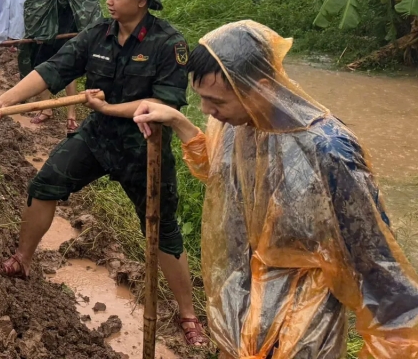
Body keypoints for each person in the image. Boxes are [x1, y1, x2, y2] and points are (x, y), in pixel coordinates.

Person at [133, 21, 418, 359]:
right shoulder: (237, 126)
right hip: (241, 296)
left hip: (301, 319)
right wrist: (179, 122)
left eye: (216, 101)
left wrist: (396, 342)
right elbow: (222, 175)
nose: (208, 111)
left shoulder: (329, 151)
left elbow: (376, 261)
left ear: (260, 88)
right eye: (202, 100)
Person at [0, 0, 207, 347]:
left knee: (163, 233)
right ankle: (23, 260)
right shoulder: (96, 35)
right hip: (97, 139)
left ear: (142, 0)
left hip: (144, 148)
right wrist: (4, 100)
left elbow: (163, 104)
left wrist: (108, 109)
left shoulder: (169, 44)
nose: (109, 0)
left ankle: (188, 316)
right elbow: (53, 69)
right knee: (45, 183)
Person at [22, 0, 102, 129]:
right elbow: (33, 6)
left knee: (69, 68)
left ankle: (71, 114)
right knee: (41, 66)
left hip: (68, 26)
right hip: (44, 28)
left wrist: (87, 25)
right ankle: (45, 109)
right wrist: (38, 31)